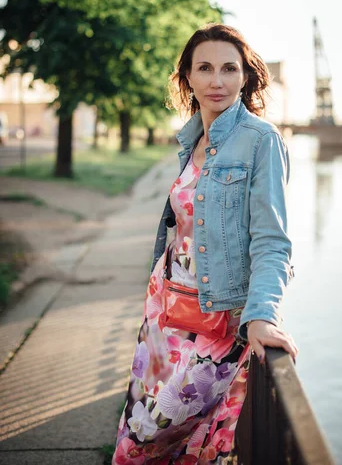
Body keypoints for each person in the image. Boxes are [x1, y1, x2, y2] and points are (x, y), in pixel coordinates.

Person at [111, 23, 298, 464]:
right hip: (165, 312)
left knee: (146, 441)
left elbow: (273, 242)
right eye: (205, 68)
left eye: (229, 68)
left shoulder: (261, 140)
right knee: (165, 437)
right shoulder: (190, 139)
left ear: (246, 77)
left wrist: (262, 316)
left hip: (218, 320)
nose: (217, 80)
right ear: (188, 78)